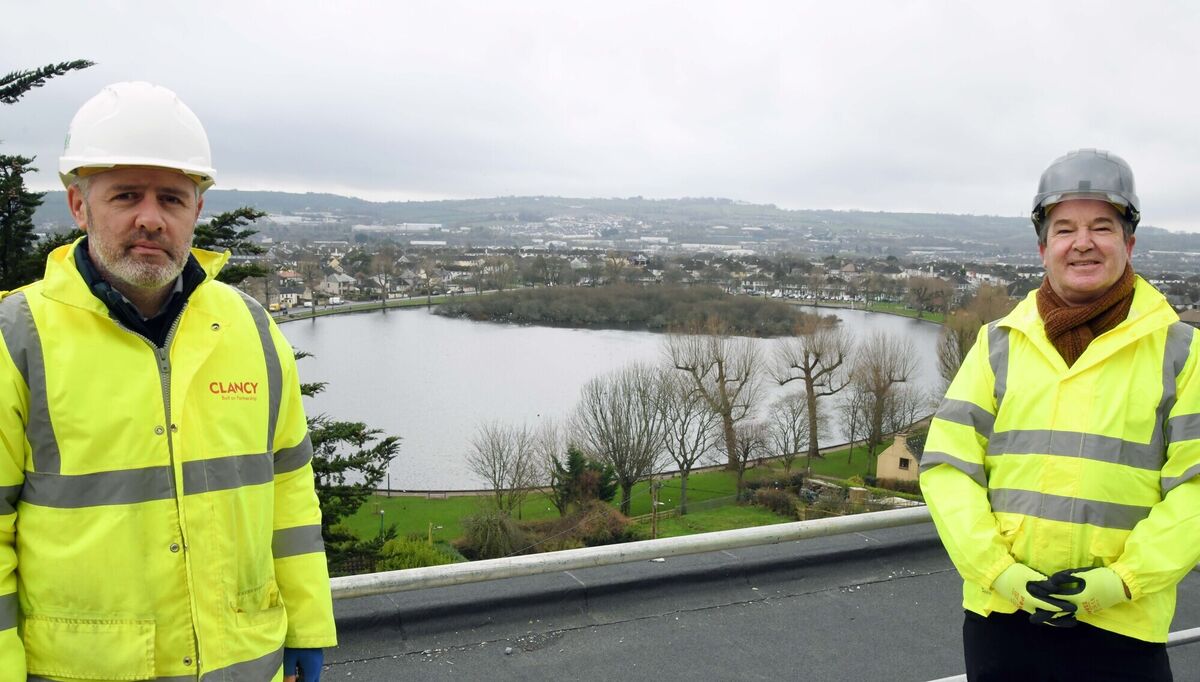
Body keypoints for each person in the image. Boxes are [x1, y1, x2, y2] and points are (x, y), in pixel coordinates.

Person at [0, 82, 336, 680]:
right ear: (79, 205)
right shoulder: (17, 339)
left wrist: (308, 623)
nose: (150, 219)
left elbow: (290, 490)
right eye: (126, 195)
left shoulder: (250, 328)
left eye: (172, 199)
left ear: (197, 211)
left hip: (243, 664)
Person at [921, 148, 1200, 681]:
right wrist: (999, 574)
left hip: (1124, 624)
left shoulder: (1183, 354)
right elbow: (948, 468)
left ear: (1129, 243)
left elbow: (1197, 487)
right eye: (1066, 228)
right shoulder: (997, 343)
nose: (1083, 242)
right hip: (1003, 621)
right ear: (1044, 246)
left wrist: (1121, 581)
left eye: (1102, 226)